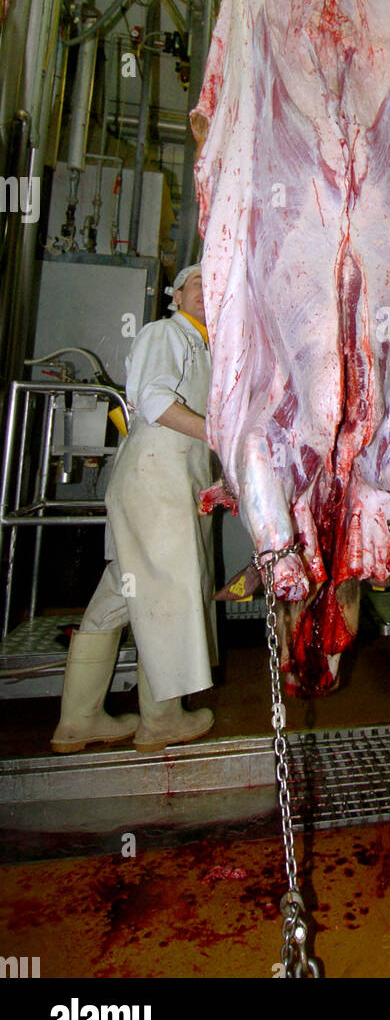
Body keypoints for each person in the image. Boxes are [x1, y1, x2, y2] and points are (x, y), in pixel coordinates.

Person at [52, 266, 217, 755]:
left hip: (167, 484)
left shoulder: (208, 348)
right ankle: (161, 721)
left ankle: (78, 721)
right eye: (196, 285)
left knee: (120, 595)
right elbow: (152, 399)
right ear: (176, 295)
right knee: (165, 593)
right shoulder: (165, 333)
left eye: (216, 285)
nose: (206, 293)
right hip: (156, 484)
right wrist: (221, 435)